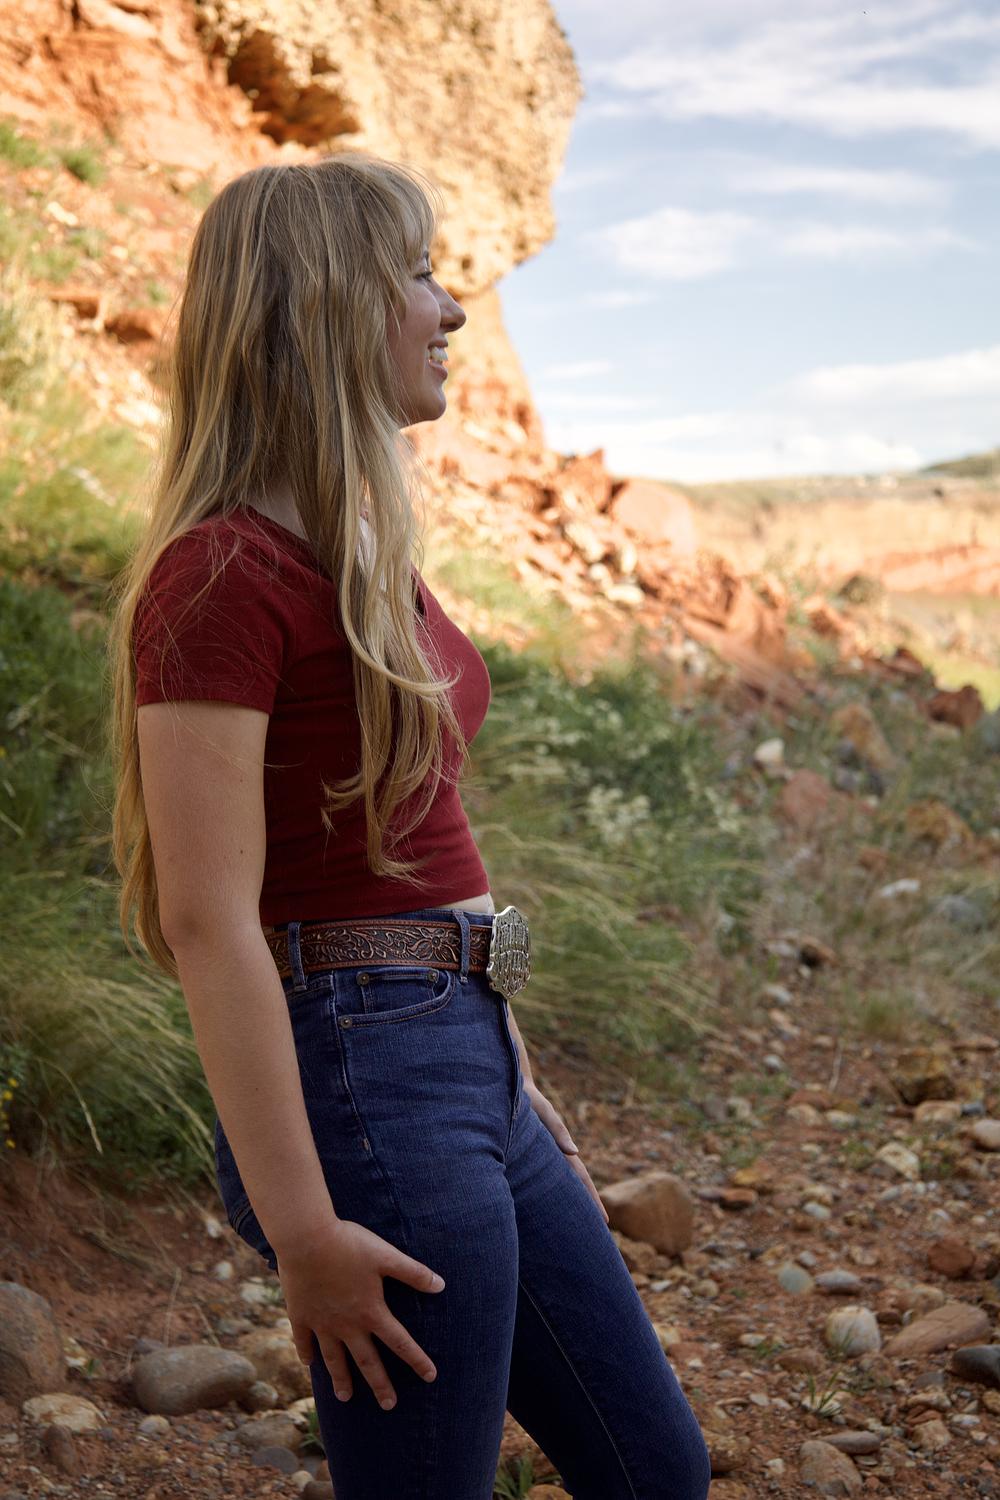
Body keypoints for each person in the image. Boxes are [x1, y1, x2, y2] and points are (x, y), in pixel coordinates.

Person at [109, 151, 710, 1500]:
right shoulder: (221, 575)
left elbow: (427, 836)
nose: (450, 310)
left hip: (463, 1058)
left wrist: (511, 1063)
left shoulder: (362, 553)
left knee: (655, 1469)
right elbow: (208, 918)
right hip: (367, 1084)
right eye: (420, 276)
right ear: (325, 305)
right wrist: (302, 1228)